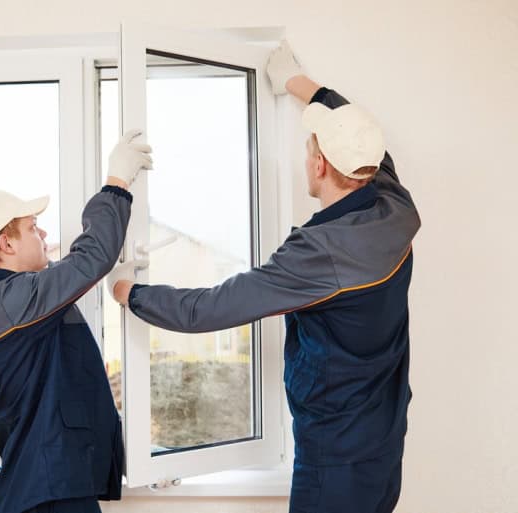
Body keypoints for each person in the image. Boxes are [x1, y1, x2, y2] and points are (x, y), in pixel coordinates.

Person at [108, 42, 421, 513]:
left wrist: (130, 293)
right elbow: (359, 130)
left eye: (310, 148)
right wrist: (298, 83)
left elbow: (210, 307)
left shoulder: (319, 254)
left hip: (333, 461)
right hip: (383, 441)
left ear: (318, 165)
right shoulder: (395, 205)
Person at [0, 130, 152, 513]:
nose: (44, 234)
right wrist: (116, 183)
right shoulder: (11, 300)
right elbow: (90, 259)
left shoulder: (8, 301)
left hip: (47, 486)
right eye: (33, 227)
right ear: (7, 244)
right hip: (48, 493)